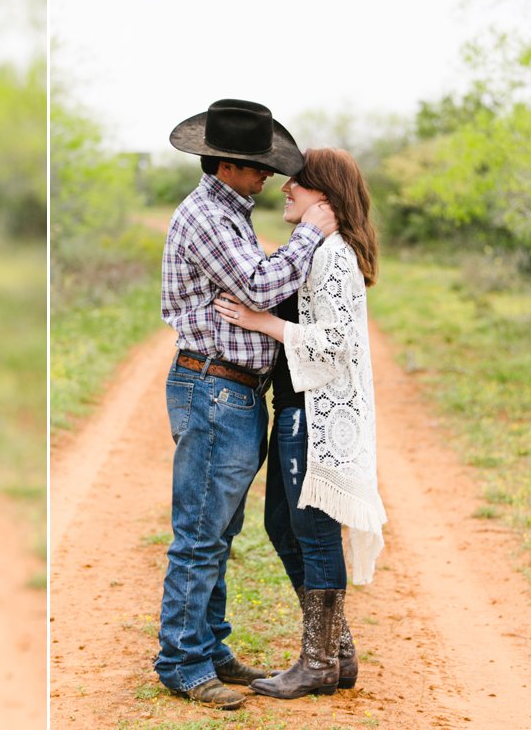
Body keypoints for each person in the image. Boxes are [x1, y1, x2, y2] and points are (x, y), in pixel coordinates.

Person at [156, 99, 337, 709]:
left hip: (229, 389)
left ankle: (207, 644)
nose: (269, 176)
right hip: (213, 386)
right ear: (229, 165)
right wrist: (311, 232)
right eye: (259, 166)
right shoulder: (207, 215)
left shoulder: (229, 213)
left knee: (219, 529)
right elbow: (261, 285)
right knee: (201, 534)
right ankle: (182, 661)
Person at [213, 146, 387, 699]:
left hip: (314, 413)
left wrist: (263, 324)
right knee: (284, 527)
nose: (285, 189)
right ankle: (337, 653)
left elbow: (334, 343)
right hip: (295, 408)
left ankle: (319, 663)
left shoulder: (333, 256)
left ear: (325, 198)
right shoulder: (316, 251)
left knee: (310, 534)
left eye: (298, 183)